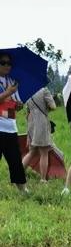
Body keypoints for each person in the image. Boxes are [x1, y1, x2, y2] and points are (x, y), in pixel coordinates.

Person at [0, 51, 28, 194]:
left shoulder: (12, 81)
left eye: (9, 63)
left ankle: (22, 189)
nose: (7, 66)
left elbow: (17, 102)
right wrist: (8, 93)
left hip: (10, 126)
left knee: (16, 160)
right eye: (3, 62)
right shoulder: (9, 86)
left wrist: (18, 105)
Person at [23, 85, 58, 182]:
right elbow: (53, 106)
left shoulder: (28, 91)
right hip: (41, 123)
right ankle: (43, 179)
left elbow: (27, 111)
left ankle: (18, 174)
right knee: (44, 152)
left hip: (31, 122)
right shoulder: (44, 90)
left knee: (31, 152)